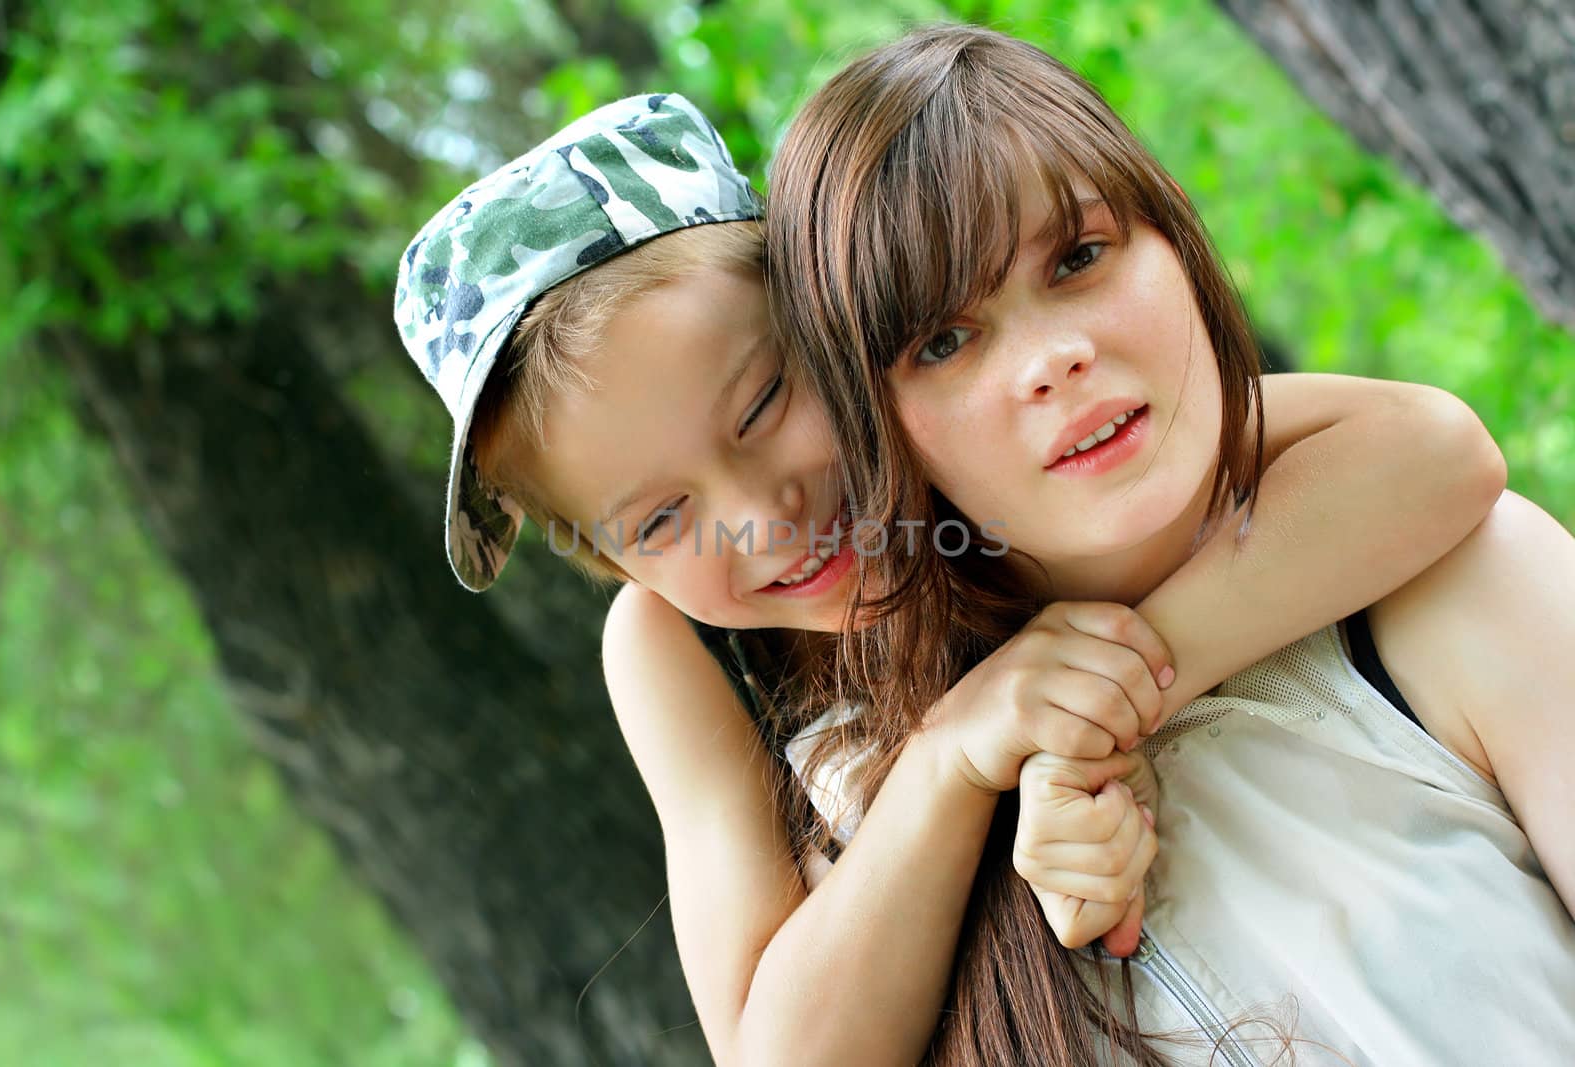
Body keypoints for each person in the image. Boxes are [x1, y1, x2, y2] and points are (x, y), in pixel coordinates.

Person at [392, 93, 1506, 1065]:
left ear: (839, 328)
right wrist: (951, 760)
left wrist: (1089, 708)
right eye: (660, 517)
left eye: (761, 406)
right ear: (606, 555)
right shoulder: (670, 646)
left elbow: (1432, 452)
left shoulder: (990, 441)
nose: (758, 513)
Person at [765, 22, 1575, 1065]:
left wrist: (1098, 712)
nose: (1055, 357)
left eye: (1079, 257)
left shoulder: (1455, 585)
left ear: (1177, 243)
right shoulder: (890, 839)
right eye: (944, 340)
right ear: (875, 427)